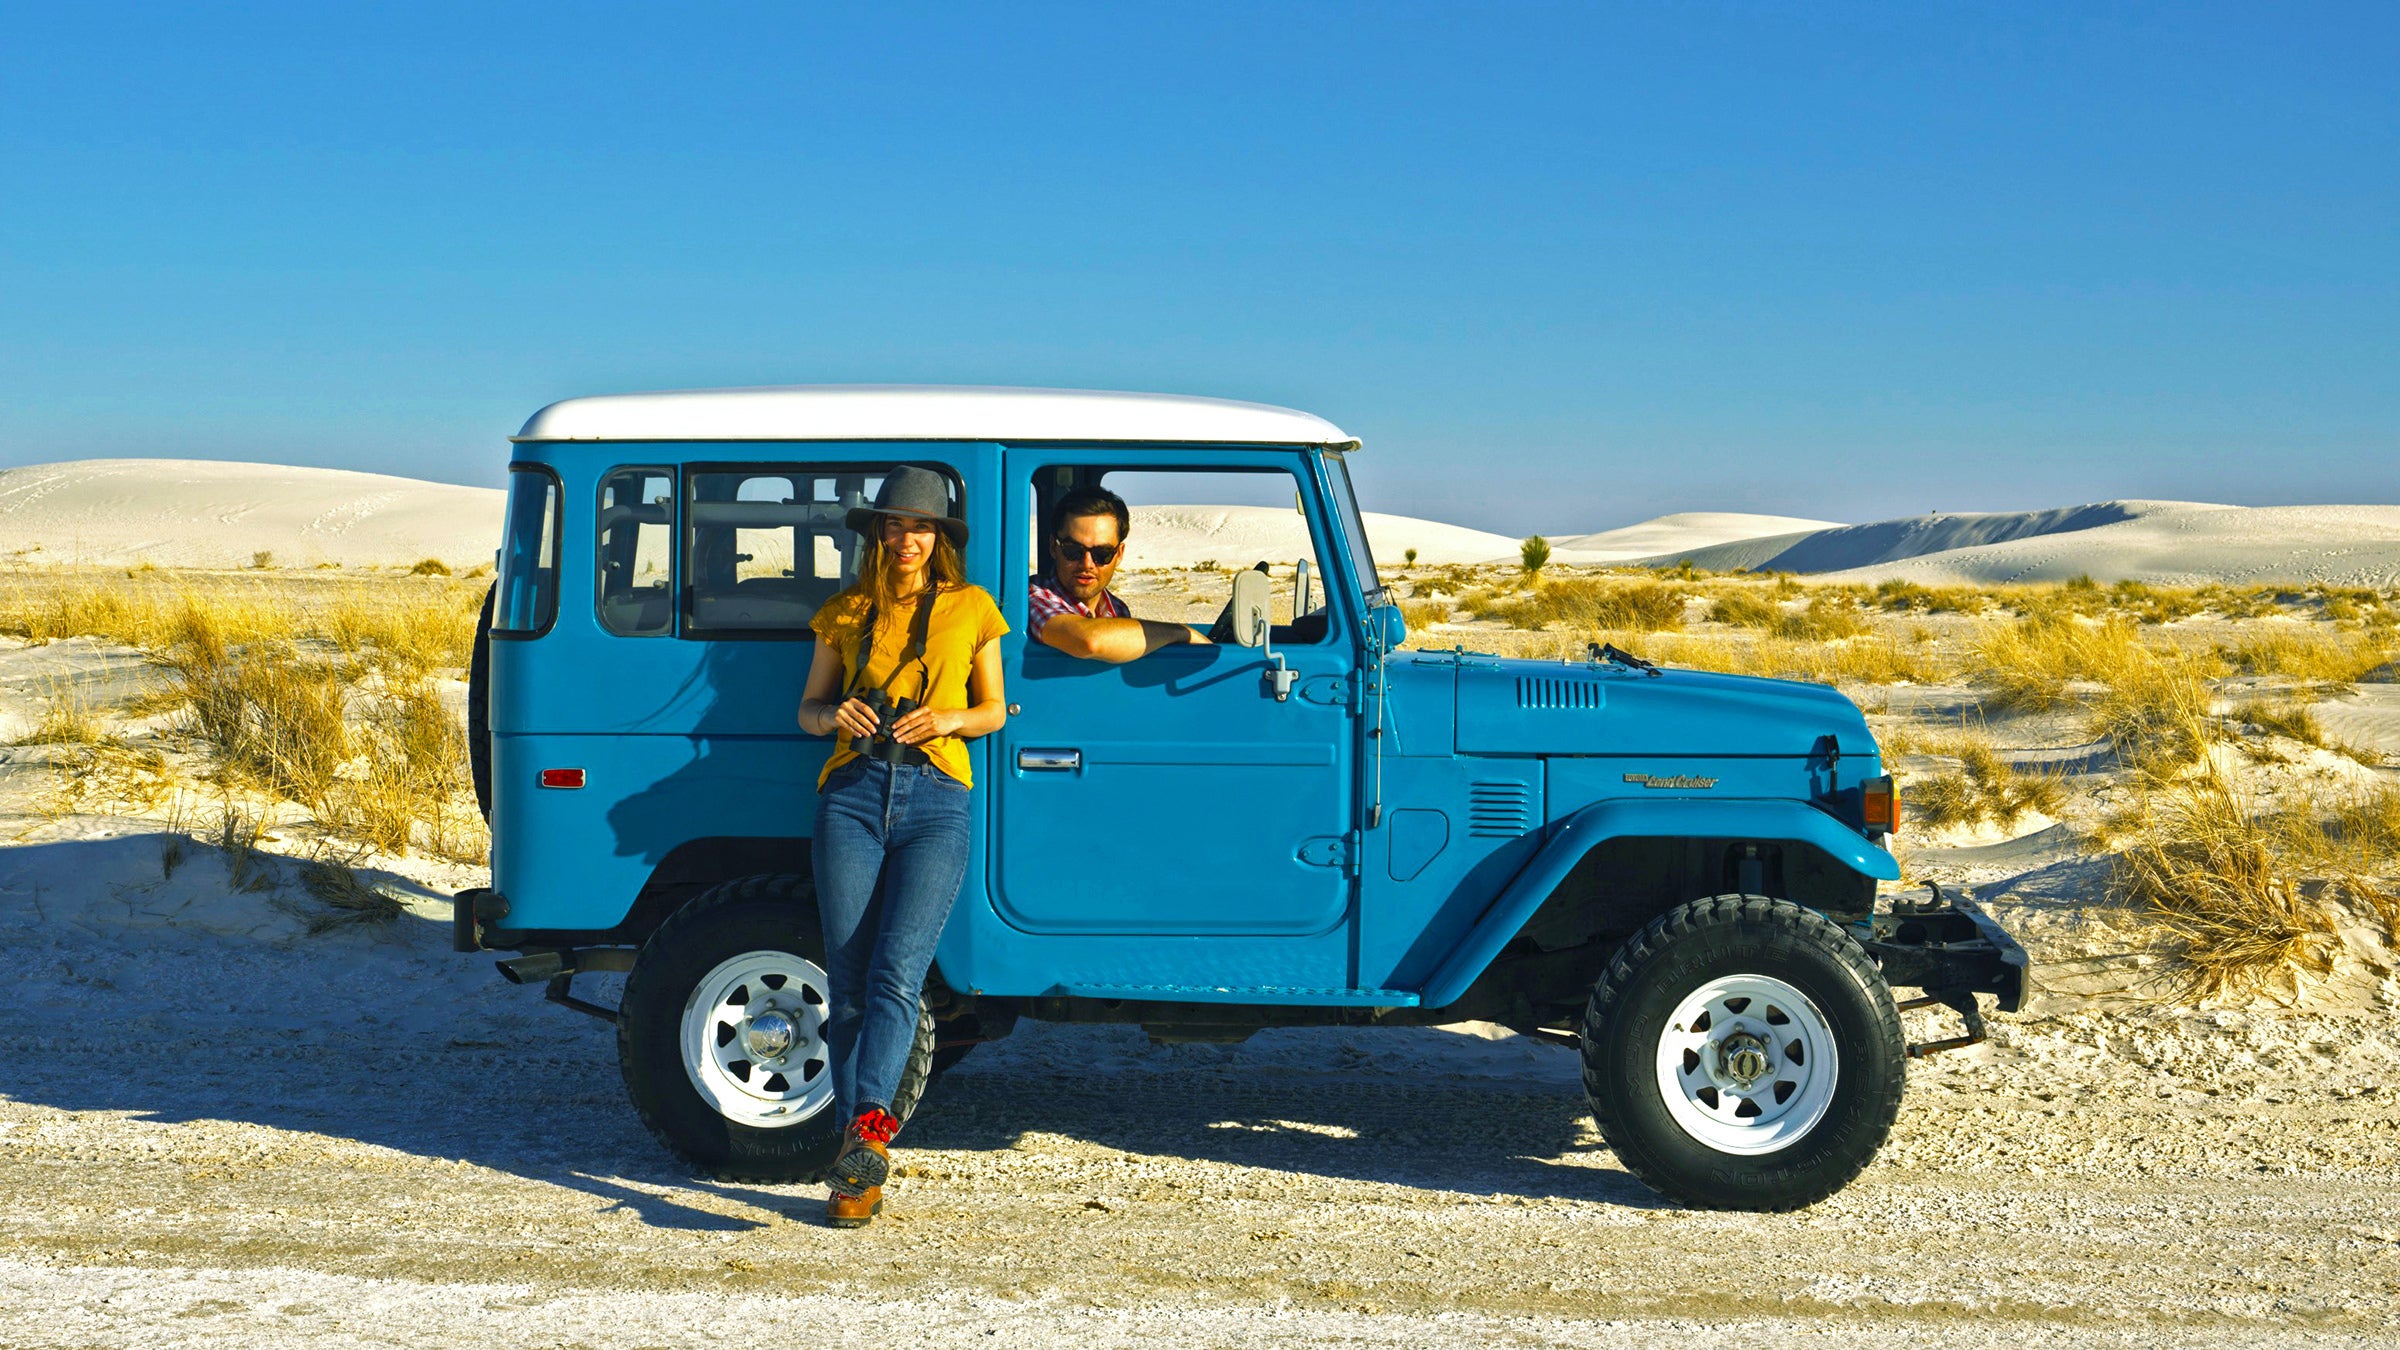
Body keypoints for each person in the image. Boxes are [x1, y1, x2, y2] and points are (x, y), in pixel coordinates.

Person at [795, 466, 1008, 1229]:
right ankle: (861, 1166)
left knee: (897, 975)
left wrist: (947, 720)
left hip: (937, 800)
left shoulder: (972, 608)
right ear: (877, 534)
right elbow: (807, 708)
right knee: (848, 978)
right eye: (893, 525)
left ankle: (867, 1133)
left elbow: (991, 710)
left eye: (921, 527)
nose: (906, 538)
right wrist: (835, 717)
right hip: (851, 794)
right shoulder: (847, 608)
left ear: (940, 539)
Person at [1029, 485, 1212, 661]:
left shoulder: (1117, 609)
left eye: (1102, 554)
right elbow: (1088, 641)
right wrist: (1181, 633)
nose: (1087, 564)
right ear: (1054, 547)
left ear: (1119, 554)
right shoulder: (1034, 597)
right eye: (1073, 551)